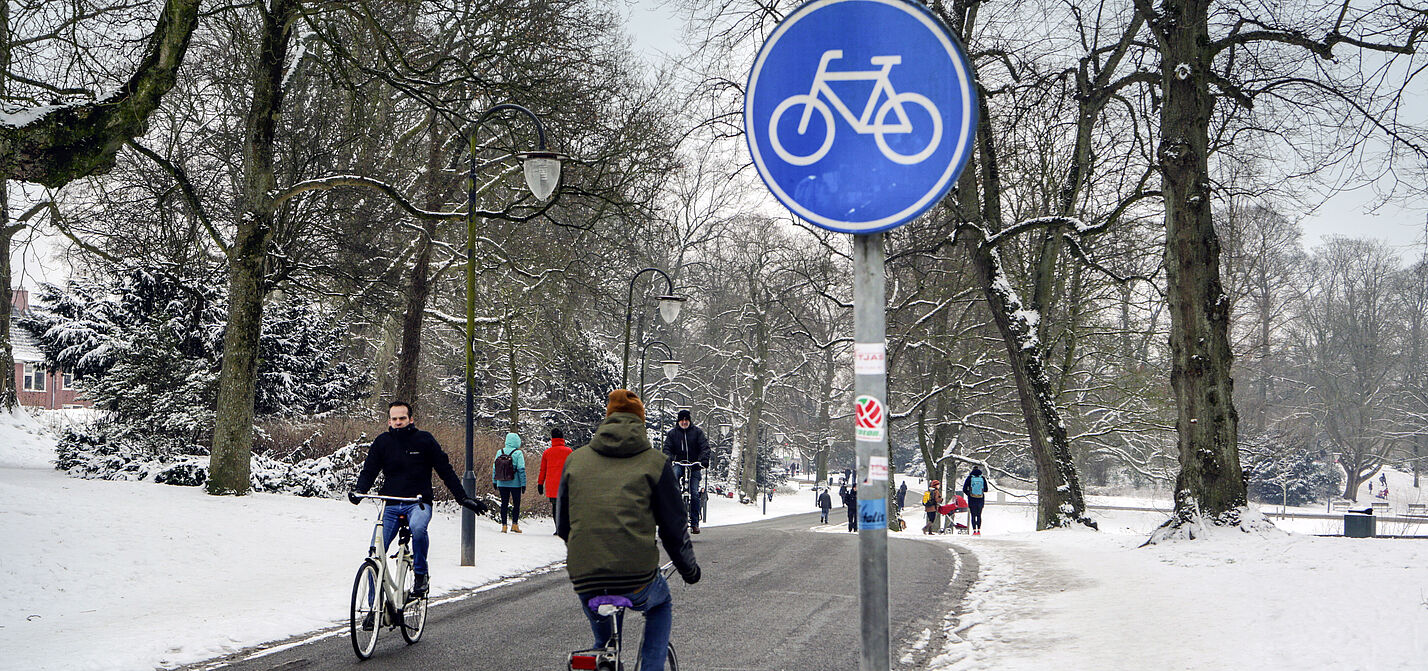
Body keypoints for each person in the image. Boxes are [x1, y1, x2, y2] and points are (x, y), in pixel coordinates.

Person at [557, 389, 700, 671]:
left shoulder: (575, 460)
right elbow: (673, 529)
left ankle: (605, 657)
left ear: (607, 418)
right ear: (641, 422)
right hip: (637, 577)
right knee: (660, 604)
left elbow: (563, 524)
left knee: (605, 644)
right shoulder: (656, 463)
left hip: (586, 577)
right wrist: (689, 571)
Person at [350, 401, 485, 598]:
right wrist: (359, 491)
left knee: (419, 529)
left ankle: (421, 574)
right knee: (375, 554)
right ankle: (373, 610)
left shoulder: (424, 440)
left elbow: (445, 470)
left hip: (418, 503)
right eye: (394, 419)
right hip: (390, 504)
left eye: (402, 418)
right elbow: (369, 470)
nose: (398, 422)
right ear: (389, 420)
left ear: (411, 419)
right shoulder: (382, 442)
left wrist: (463, 498)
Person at [663, 409, 710, 533]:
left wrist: (703, 460)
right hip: (679, 463)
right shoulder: (673, 434)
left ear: (689, 421)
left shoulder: (697, 433)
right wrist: (669, 458)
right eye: (682, 420)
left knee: (694, 493)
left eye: (686, 420)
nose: (684, 422)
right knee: (673, 481)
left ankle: (694, 523)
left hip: (694, 465)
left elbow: (704, 447)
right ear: (678, 421)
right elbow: (667, 448)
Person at [493, 432, 527, 533]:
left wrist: (494, 481)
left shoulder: (500, 452)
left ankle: (504, 526)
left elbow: (495, 468)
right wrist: (523, 484)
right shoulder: (518, 453)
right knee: (516, 504)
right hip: (515, 483)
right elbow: (521, 469)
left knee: (504, 503)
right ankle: (514, 525)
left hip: (501, 482)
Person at [538, 428, 572, 525]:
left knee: (555, 506)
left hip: (552, 485)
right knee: (565, 506)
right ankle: (564, 526)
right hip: (565, 484)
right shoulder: (568, 451)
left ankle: (557, 527)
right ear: (562, 438)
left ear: (552, 438)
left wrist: (540, 483)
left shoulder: (547, 452)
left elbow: (543, 470)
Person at [962, 468, 987, 535]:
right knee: (979, 515)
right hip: (980, 499)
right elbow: (986, 489)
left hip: (972, 499)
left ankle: (974, 531)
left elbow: (964, 489)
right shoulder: (982, 478)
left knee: (973, 515)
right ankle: (979, 530)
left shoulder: (969, 478)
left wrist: (969, 494)